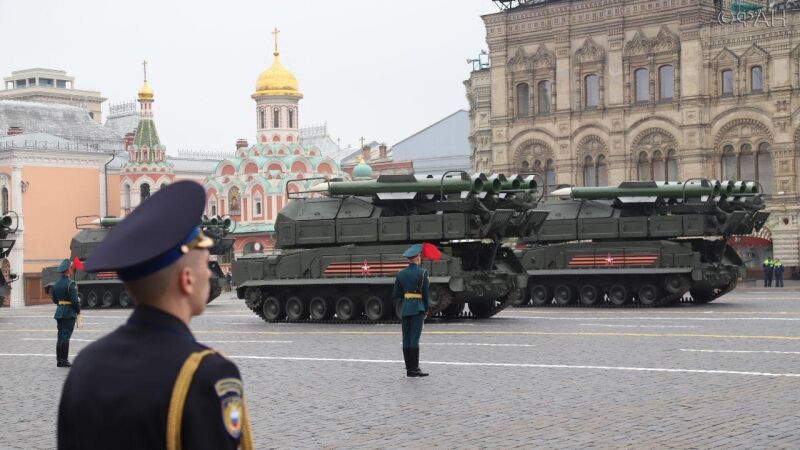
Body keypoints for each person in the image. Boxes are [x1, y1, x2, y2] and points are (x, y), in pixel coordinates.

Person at [57, 181, 253, 450]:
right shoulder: (205, 375)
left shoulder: (85, 366)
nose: (209, 273)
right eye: (204, 265)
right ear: (186, 280)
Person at [393, 244, 430, 377]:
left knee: (406, 338)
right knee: (414, 338)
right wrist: (426, 309)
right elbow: (425, 294)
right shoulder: (423, 273)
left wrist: (407, 297)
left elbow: (396, 294)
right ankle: (414, 369)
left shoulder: (400, 274)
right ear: (417, 258)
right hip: (418, 308)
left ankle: (409, 368)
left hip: (406, 308)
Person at [52, 258, 80, 368]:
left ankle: (59, 359)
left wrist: (61, 304)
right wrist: (78, 310)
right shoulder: (71, 284)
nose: (72, 269)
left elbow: (55, 300)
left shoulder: (56, 283)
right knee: (65, 336)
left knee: (60, 336)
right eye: (71, 268)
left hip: (59, 312)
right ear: (68, 269)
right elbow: (74, 301)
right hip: (69, 313)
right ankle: (64, 360)